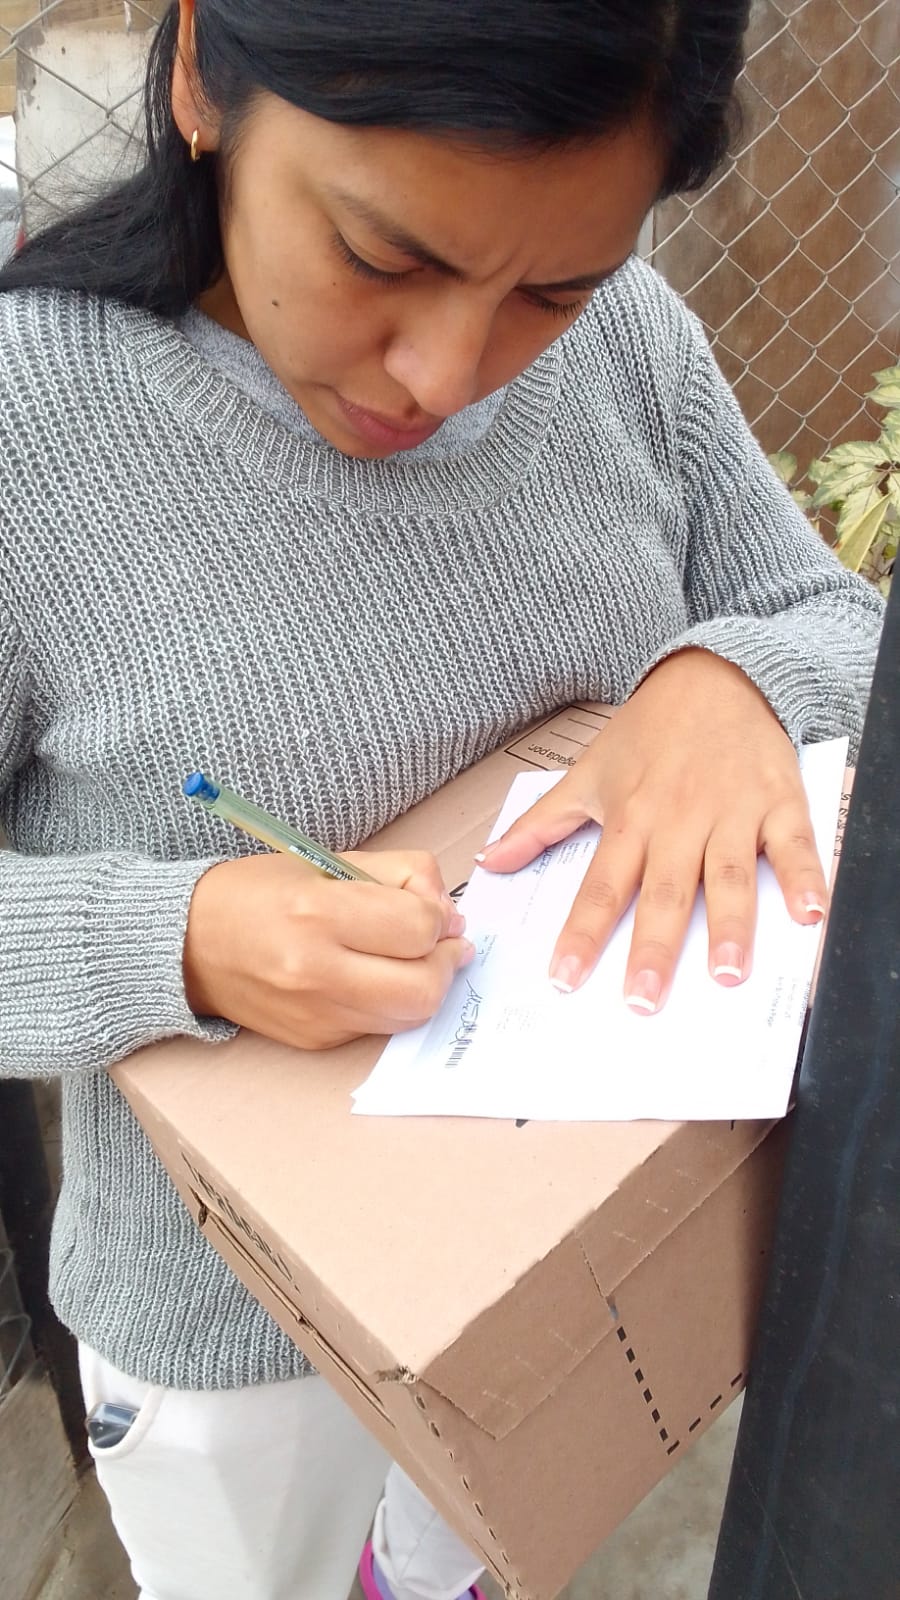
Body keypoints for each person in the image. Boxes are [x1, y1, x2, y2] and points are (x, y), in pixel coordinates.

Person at [0, 1, 884, 1597]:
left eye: (553, 288)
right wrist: (178, 938)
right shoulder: (31, 431)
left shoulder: (627, 346)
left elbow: (837, 621)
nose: (451, 375)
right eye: (381, 256)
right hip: (239, 1343)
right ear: (200, 72)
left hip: (565, 1255)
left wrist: (733, 679)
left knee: (470, 1557)